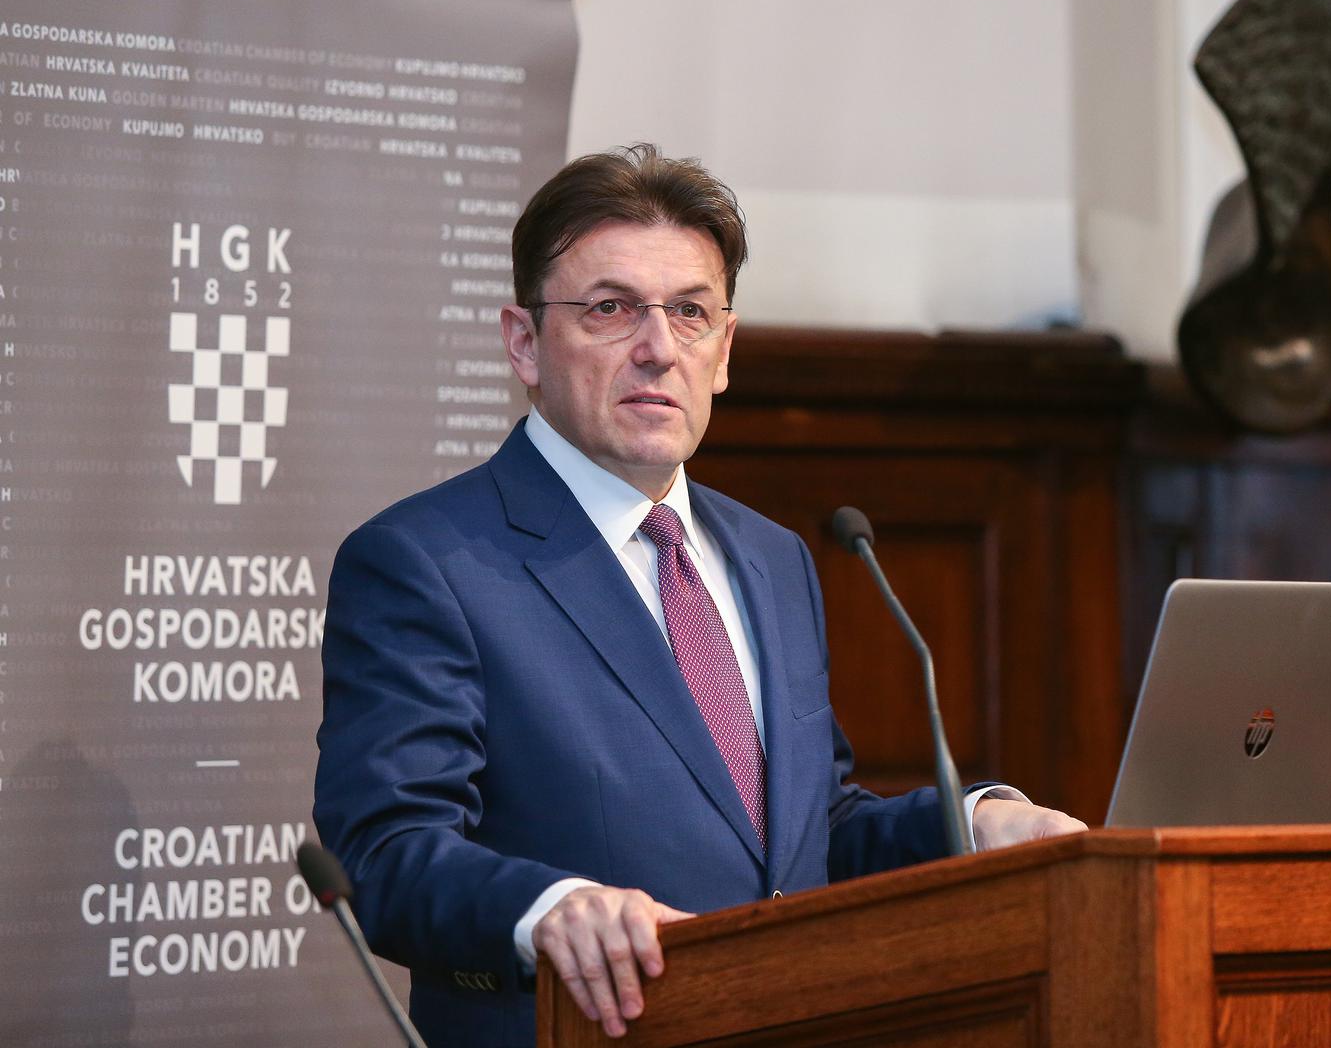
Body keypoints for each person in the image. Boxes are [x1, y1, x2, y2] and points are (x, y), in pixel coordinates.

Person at [313, 143, 1085, 1047]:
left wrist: (978, 825)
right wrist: (553, 907)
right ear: (524, 342)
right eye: (610, 309)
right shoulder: (425, 562)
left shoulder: (773, 557)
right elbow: (387, 851)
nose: (657, 349)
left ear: (723, 351)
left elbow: (810, 833)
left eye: (689, 312)